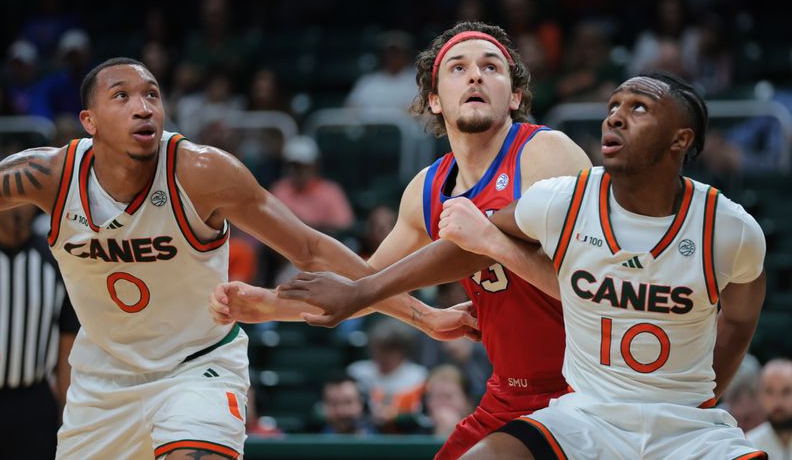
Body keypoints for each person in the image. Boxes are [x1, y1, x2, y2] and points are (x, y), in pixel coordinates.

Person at [0, 57, 474, 459]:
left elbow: (312, 249)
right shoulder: (46, 175)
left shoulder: (202, 171)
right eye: (122, 96)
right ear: (88, 121)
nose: (143, 108)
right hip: (101, 382)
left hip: (196, 366)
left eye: (153, 95)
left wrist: (425, 315)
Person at [276, 72, 767, 459]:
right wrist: (362, 292)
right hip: (585, 418)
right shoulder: (567, 200)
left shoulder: (729, 229)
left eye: (638, 108)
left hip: (686, 428)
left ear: (680, 139)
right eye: (613, 106)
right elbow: (467, 247)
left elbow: (742, 318)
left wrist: (704, 393)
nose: (615, 118)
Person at [217, 21, 591, 458]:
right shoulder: (426, 191)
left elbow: (600, 293)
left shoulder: (546, 153)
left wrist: (491, 242)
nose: (475, 75)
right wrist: (266, 306)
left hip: (587, 388)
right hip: (509, 395)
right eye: (458, 68)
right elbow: (368, 285)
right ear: (434, 100)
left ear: (514, 97)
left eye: (491, 67)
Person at [0, 204, 79, 460]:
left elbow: (68, 343)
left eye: (22, 200)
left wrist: (68, 410)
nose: (15, 209)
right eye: (9, 201)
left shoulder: (53, 261)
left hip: (35, 400)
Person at [747, 359, 792, 458]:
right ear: (759, 395)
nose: (777, 401)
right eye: (769, 391)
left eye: (787, 391)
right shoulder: (749, 447)